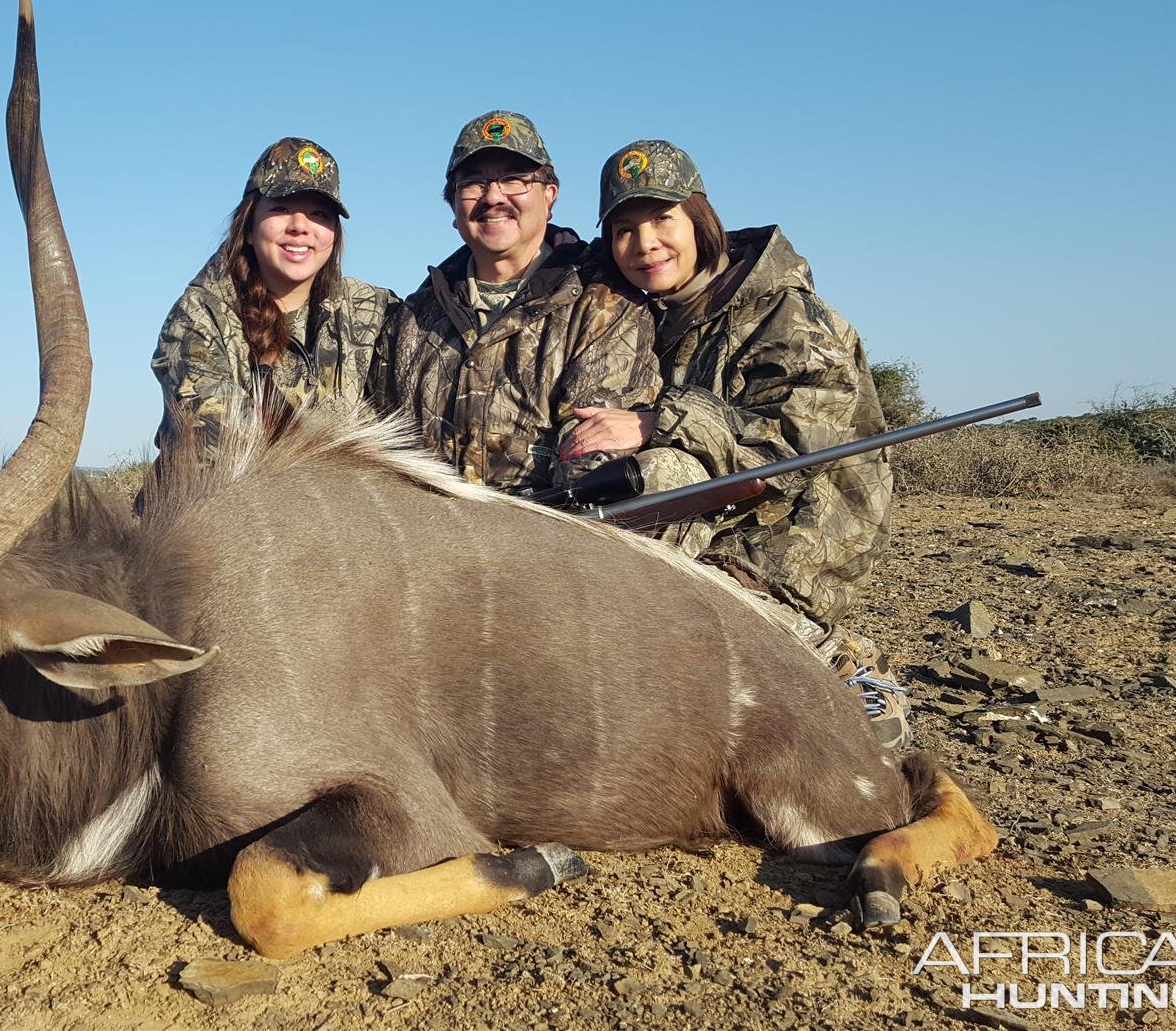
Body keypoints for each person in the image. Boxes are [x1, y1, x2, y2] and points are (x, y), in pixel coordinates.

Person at [563, 139, 904, 746]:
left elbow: (795, 449)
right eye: (623, 230)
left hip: (803, 520)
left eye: (662, 220)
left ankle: (847, 665)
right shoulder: (652, 315)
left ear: (700, 219)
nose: (644, 245)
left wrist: (658, 421)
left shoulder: (789, 314)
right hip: (713, 505)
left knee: (721, 611)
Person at [370, 111, 651, 492]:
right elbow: (383, 455)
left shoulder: (604, 306)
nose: (493, 197)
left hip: (546, 543)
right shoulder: (412, 320)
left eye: (514, 180)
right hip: (422, 542)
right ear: (453, 207)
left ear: (550, 196)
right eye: (473, 184)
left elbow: (591, 458)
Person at [151, 137, 395, 462]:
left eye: (319, 214)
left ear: (334, 235)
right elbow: (217, 449)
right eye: (280, 208)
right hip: (221, 506)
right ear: (248, 228)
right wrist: (347, 451)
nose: (300, 227)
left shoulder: (372, 310)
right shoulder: (200, 315)